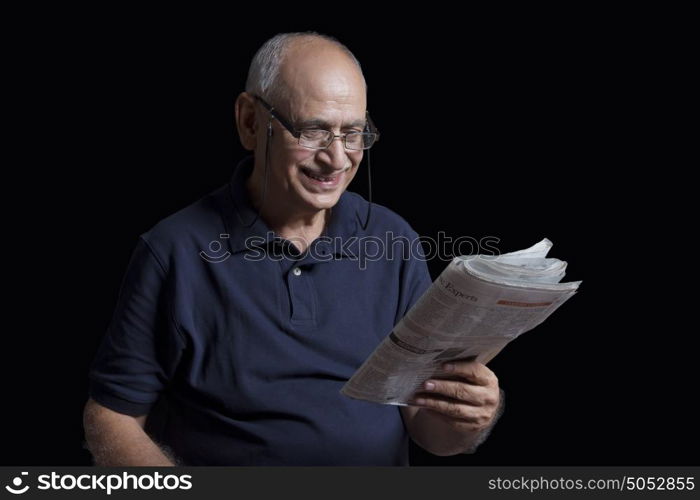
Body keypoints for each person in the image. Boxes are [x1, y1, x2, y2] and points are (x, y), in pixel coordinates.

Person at [83, 31, 503, 466]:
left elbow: (429, 430)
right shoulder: (173, 251)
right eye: (313, 130)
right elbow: (111, 416)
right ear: (249, 122)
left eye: (354, 133)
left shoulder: (394, 240)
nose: (337, 159)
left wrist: (465, 419)